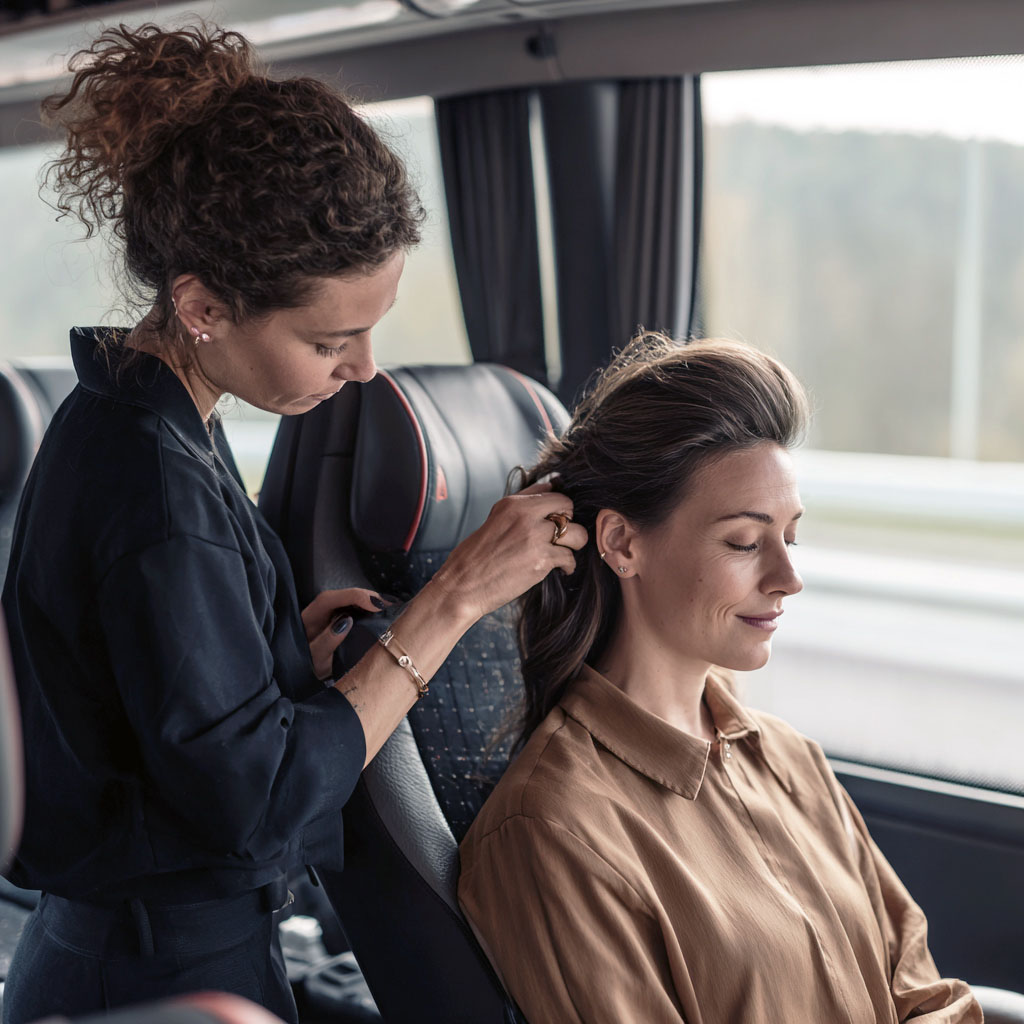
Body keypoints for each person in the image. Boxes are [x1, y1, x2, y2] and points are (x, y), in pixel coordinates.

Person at [0, 22, 586, 1023]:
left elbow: (151, 698)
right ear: (202, 306)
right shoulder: (150, 482)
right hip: (151, 971)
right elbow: (252, 800)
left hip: (162, 942)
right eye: (329, 339)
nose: (360, 368)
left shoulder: (155, 417)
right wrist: (448, 604)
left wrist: (270, 652)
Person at [458, 333, 981, 1024]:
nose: (788, 579)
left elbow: (921, 992)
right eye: (744, 541)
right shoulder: (551, 830)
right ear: (621, 543)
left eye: (790, 537)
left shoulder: (789, 758)